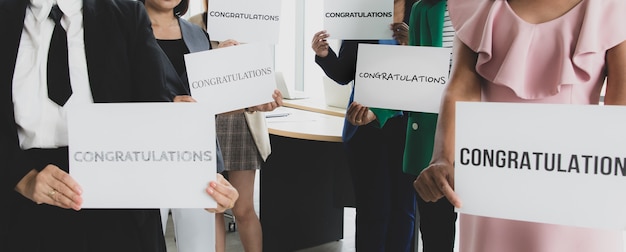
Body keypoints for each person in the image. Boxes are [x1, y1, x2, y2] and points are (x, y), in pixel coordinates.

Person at [0, 0, 239, 251]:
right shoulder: (6, 16)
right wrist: (21, 177)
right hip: (24, 202)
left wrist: (194, 176)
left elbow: (152, 108)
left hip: (120, 196)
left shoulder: (125, 13)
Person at [414, 0, 626, 251]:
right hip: (495, 177)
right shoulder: (478, 5)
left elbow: (620, 102)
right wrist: (442, 157)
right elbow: (460, 85)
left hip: (575, 183)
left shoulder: (611, 7)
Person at [140, 0, 282, 252]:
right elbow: (114, 90)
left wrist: (253, 104)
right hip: (147, 150)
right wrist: (166, 104)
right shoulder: (125, 29)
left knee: (199, 243)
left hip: (197, 151)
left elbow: (208, 101)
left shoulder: (197, 34)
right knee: (144, 237)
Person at [311, 0, 418, 251]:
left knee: (404, 208)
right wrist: (324, 54)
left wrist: (413, 45)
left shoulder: (422, 8)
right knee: (373, 208)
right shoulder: (365, 10)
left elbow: (435, 65)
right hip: (365, 125)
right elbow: (344, 72)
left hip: (408, 124)